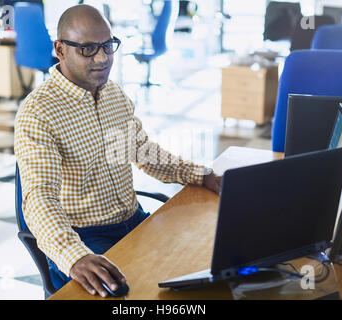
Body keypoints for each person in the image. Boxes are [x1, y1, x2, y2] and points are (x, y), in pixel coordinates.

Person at [14, 4, 221, 298]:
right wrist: (74, 256)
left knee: (197, 263)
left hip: (132, 219)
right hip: (85, 236)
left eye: (108, 46)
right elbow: (38, 197)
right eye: (87, 49)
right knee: (131, 294)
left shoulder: (114, 94)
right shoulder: (38, 113)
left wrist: (201, 175)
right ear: (60, 49)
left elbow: (144, 152)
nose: (102, 58)